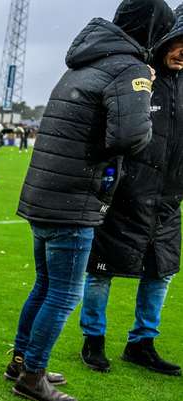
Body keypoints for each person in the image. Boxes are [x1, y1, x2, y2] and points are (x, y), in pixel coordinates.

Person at [7, 0, 172, 401]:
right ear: (152, 32)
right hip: (75, 198)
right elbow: (130, 137)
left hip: (45, 193)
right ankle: (33, 375)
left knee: (45, 284)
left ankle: (22, 360)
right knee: (63, 293)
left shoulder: (85, 61)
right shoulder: (130, 68)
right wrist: (146, 90)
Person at [80, 5, 183, 376]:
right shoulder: (139, 73)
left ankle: (141, 343)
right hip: (124, 196)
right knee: (101, 270)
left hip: (169, 201)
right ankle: (93, 338)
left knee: (162, 272)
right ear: (166, 38)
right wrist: (109, 183)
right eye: (180, 43)